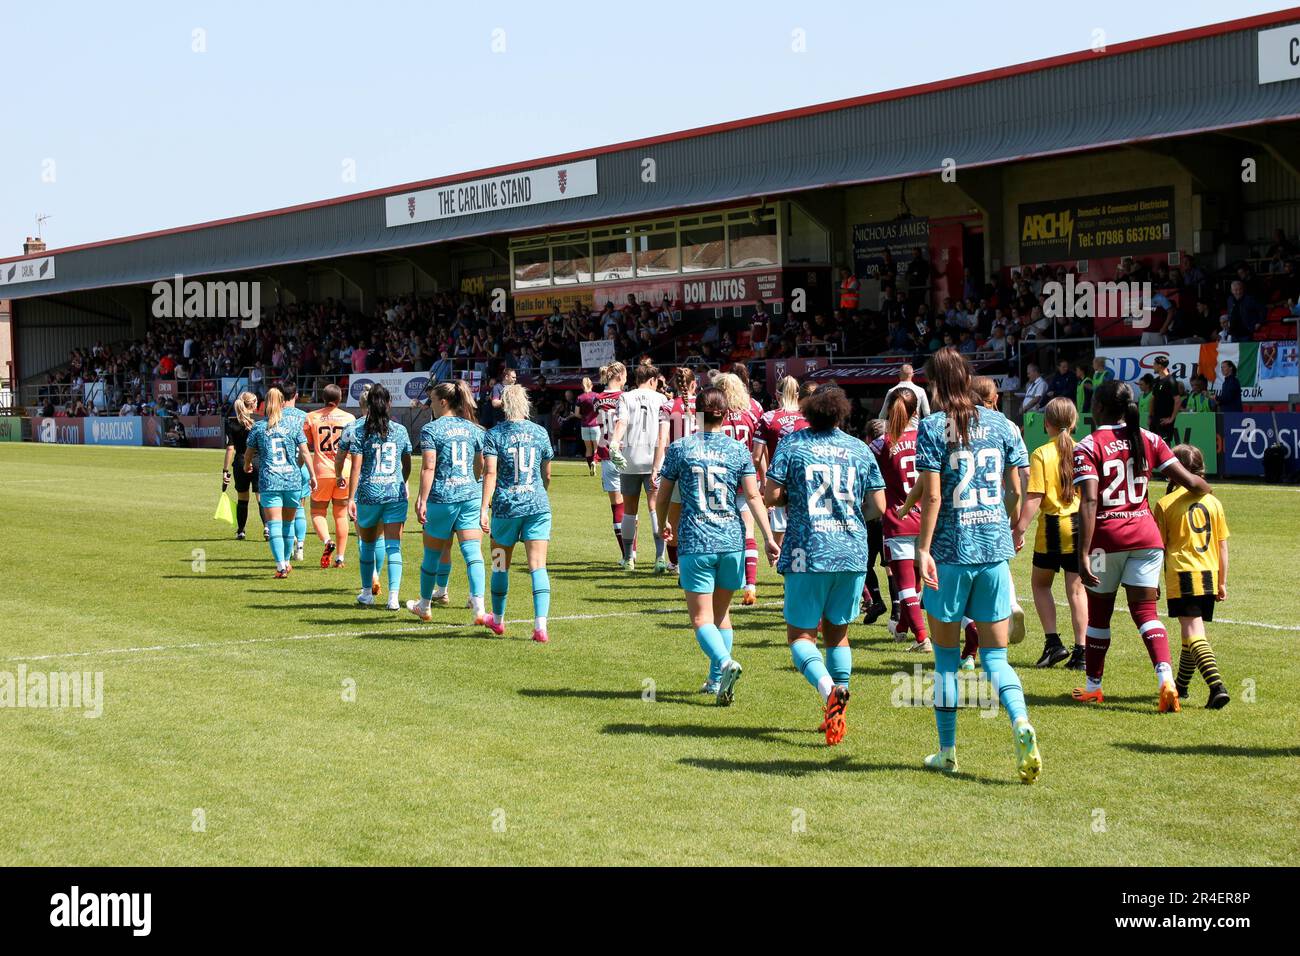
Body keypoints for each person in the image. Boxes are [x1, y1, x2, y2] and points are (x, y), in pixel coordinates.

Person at [913, 348, 1040, 782]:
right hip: (993, 553)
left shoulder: (932, 427)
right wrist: (1010, 528)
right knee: (997, 658)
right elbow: (1017, 491)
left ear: (934, 383)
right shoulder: (1001, 423)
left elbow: (931, 497)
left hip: (949, 553)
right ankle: (1021, 722)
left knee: (947, 661)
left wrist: (922, 547)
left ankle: (947, 752)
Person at [1071, 380, 1212, 712]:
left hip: (1107, 540)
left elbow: (1090, 501)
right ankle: (1166, 681)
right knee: (1146, 613)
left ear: (1100, 408)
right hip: (1147, 539)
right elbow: (1192, 482)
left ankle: (1094, 687)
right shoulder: (1151, 439)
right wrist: (1209, 495)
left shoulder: (1088, 446)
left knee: (1100, 615)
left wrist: (1082, 554)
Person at [763, 386, 886, 746]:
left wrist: (792, 496)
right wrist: (848, 516)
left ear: (807, 413)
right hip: (850, 551)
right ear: (841, 415)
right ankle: (838, 712)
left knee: (801, 636)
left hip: (808, 550)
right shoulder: (859, 448)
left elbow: (771, 494)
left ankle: (828, 690)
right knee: (839, 635)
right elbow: (878, 505)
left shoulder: (793, 444)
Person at [656, 385, 779, 702]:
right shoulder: (739, 450)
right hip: (732, 540)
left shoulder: (681, 448)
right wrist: (766, 537)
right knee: (721, 616)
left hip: (697, 540)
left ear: (696, 413)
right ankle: (715, 681)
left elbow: (664, 494)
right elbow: (753, 496)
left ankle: (724, 663)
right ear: (725, 415)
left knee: (700, 619)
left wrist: (662, 523)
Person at [1011, 398, 1087, 670]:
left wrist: (1018, 529)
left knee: (1040, 584)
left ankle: (1053, 643)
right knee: (1077, 590)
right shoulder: (1082, 450)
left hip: (1054, 526)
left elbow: (1035, 496)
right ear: (1074, 421)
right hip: (1079, 525)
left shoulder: (1042, 453)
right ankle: (1082, 651)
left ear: (1047, 423)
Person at [1153, 445, 1230, 709]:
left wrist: (1152, 582)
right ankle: (1182, 685)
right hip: (1209, 573)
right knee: (1190, 632)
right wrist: (1221, 581)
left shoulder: (1165, 504)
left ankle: (1216, 685)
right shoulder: (1214, 501)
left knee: (1192, 630)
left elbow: (1158, 549)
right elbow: (1222, 545)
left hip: (1183, 573)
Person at [479, 384, 554, 643]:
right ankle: (540, 626)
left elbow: (490, 473)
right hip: (537, 506)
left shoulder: (495, 434)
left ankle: (498, 620)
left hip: (506, 507)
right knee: (538, 566)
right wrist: (539, 491)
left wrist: (483, 508)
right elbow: (547, 473)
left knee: (500, 564)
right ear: (526, 403)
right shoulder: (540, 432)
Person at [409, 381, 487, 625]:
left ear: (443, 402)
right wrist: (473, 481)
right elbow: (481, 464)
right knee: (473, 553)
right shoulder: (475, 429)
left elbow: (429, 466)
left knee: (432, 552)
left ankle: (424, 604)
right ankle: (479, 607)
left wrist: (422, 498)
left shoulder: (431, 430)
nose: (430, 404)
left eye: (432, 400)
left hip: (443, 497)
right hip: (471, 496)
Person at [869, 387, 929, 652]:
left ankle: (922, 637)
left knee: (904, 582)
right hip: (927, 518)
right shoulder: (927, 437)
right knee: (916, 581)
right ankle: (903, 626)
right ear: (916, 410)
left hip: (897, 518)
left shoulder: (882, 443)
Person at [343, 383, 411, 608]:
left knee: (368, 544)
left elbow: (355, 467)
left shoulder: (360, 430)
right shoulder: (400, 430)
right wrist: (403, 480)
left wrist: (350, 497)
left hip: (369, 493)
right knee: (393, 546)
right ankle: (393, 597)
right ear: (389, 403)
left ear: (368, 405)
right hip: (394, 493)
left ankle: (366, 593)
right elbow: (407, 462)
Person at [244, 387, 317, 578]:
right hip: (292, 480)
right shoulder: (293, 426)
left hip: (270, 480)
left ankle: (280, 566)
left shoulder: (259, 427)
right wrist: (313, 475)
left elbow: (249, 452)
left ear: (265, 404)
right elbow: (304, 452)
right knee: (288, 523)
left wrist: (246, 465)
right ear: (283, 402)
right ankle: (286, 561)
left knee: (274, 524)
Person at [609, 363, 670, 572]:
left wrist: (614, 444)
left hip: (630, 459)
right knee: (655, 509)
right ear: (652, 380)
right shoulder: (661, 399)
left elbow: (621, 423)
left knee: (629, 511)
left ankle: (628, 558)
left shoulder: (626, 397)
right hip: (654, 459)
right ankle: (660, 558)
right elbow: (664, 435)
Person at [715, 368, 765, 602]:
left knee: (719, 530)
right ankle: (751, 584)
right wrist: (764, 479)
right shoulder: (753, 411)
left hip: (719, 479)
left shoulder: (713, 412)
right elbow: (760, 451)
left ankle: (721, 581)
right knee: (748, 531)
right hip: (747, 479)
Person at [753, 375, 811, 548]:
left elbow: (756, 456)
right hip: (805, 479)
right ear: (798, 395)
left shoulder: (769, 418)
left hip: (778, 479)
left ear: (777, 395)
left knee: (778, 530)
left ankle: (778, 562)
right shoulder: (808, 418)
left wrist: (755, 482)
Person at [650, 367, 698, 571]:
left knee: (674, 520)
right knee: (698, 514)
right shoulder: (703, 404)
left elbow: (663, 438)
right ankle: (696, 557)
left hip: (676, 466)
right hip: (699, 464)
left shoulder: (668, 406)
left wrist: (656, 467)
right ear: (694, 384)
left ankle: (675, 562)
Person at [304, 384, 356, 568]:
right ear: (340, 398)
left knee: (318, 512)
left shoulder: (311, 417)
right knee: (341, 515)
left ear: (322, 398)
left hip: (322, 471)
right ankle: (340, 558)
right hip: (345, 471)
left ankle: (327, 541)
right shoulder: (349, 418)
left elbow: (307, 443)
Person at [594, 362, 629, 562]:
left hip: (607, 452)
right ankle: (634, 553)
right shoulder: (624, 397)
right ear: (619, 376)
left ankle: (626, 555)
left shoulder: (597, 399)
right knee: (631, 506)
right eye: (625, 375)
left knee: (617, 506)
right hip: (626, 452)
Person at [222, 391, 262, 541]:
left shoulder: (232, 422)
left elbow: (230, 448)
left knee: (242, 499)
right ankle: (267, 528)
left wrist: (225, 470)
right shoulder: (260, 421)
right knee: (261, 498)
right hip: (258, 461)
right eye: (256, 402)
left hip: (240, 462)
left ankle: (241, 531)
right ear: (252, 404)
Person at [1148, 355, 1181, 446]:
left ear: (1160, 366)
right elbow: (1153, 399)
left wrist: (1171, 418)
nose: (1153, 366)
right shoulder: (1156, 381)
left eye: (1154, 364)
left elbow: (1177, 400)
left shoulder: (1171, 381)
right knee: (1152, 443)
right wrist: (1150, 416)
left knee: (1165, 444)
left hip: (1164, 420)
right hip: (1155, 419)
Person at [575, 377, 601, 475]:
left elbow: (577, 413)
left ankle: (590, 467)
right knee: (596, 447)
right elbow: (601, 410)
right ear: (592, 385)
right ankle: (594, 462)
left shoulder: (580, 397)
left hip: (584, 425)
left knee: (588, 449)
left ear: (582, 386)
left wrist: (584, 417)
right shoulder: (597, 396)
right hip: (595, 425)